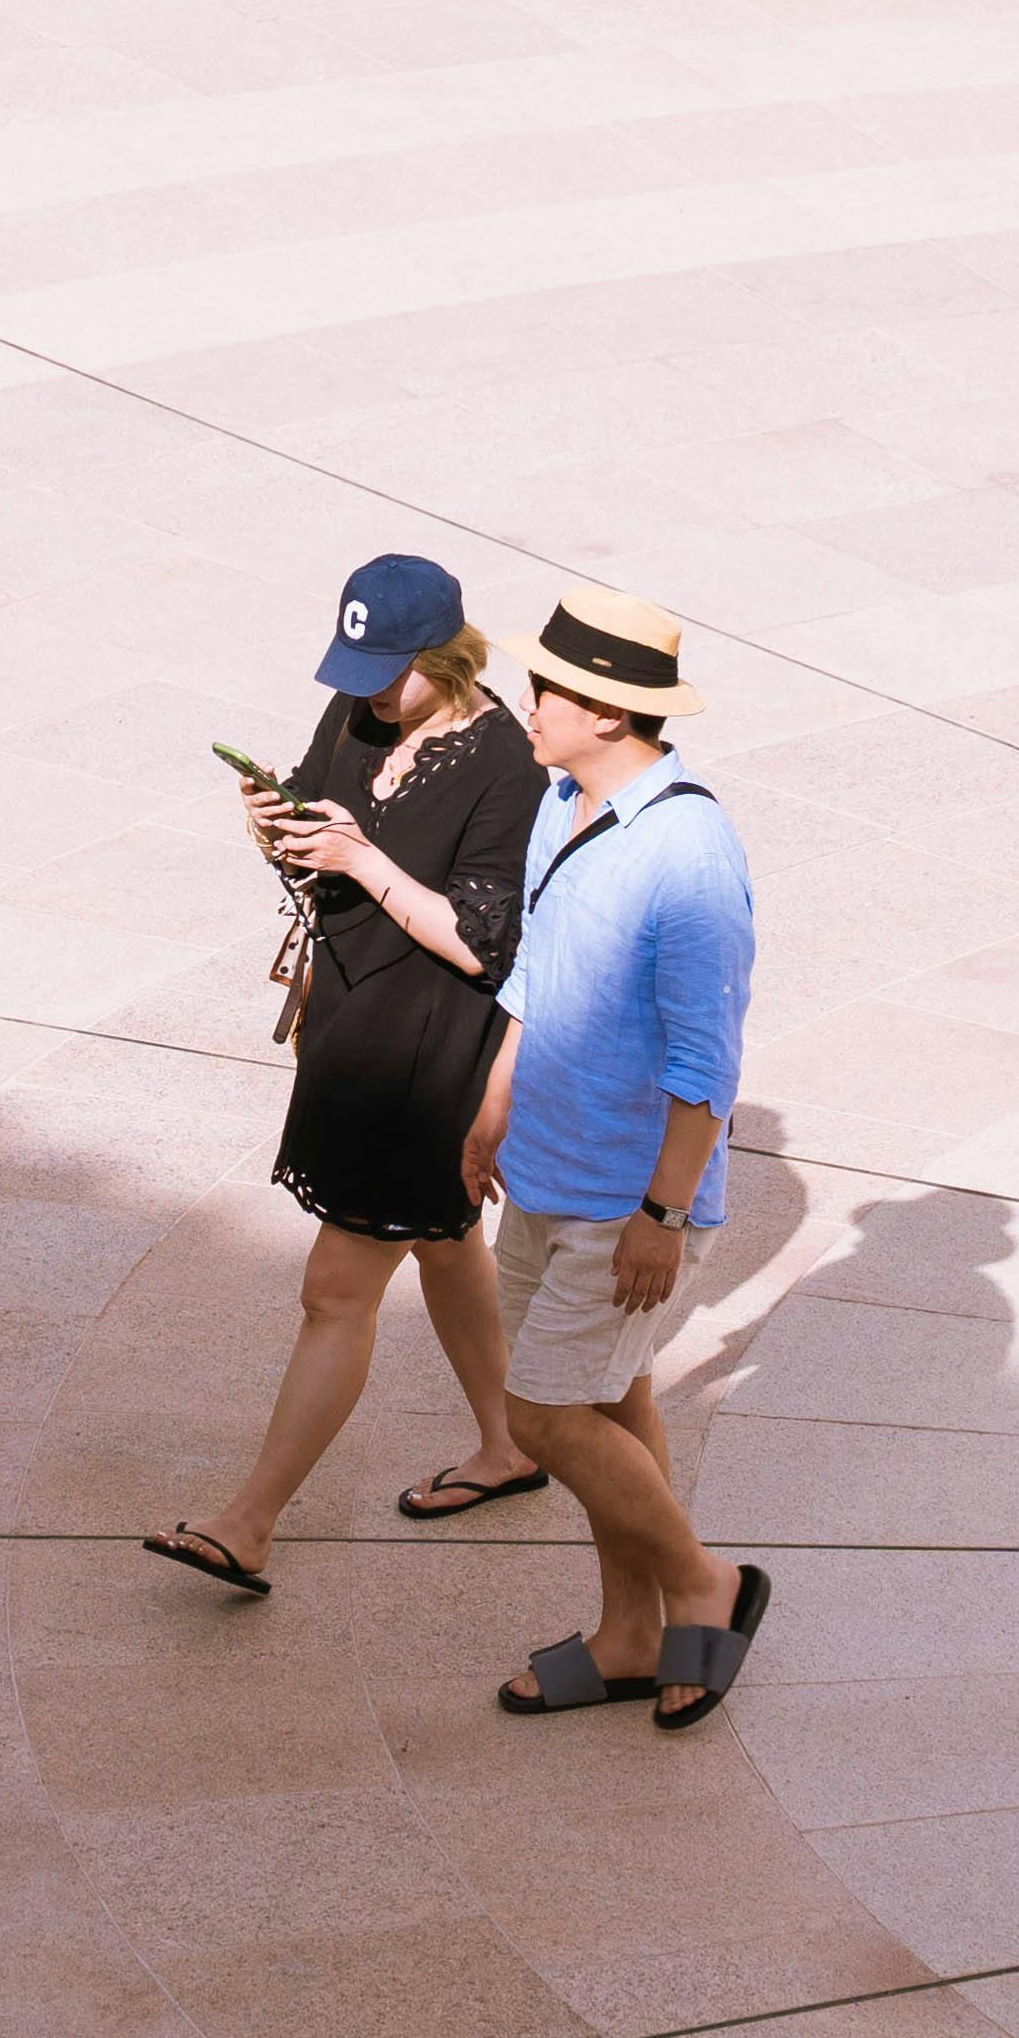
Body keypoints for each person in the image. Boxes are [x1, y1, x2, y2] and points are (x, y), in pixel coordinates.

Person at [145, 554, 546, 1596]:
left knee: (336, 1291)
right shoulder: (357, 710)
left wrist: (365, 860)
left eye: (387, 668)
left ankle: (249, 1524)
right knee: (446, 1244)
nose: (366, 687)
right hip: (352, 1029)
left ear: (446, 655)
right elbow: (317, 853)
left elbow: (488, 944)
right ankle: (509, 1446)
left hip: (426, 1061)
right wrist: (277, 828)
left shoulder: (507, 766)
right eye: (354, 662)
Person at [464, 586, 769, 1729]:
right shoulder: (563, 802)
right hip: (542, 1163)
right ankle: (632, 1632)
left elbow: (705, 1067)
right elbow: (537, 974)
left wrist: (663, 1215)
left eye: (545, 689)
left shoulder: (688, 856)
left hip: (621, 1196)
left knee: (542, 1417)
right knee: (614, 1390)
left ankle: (703, 1585)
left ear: (604, 711)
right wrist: (493, 1107)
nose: (528, 703)